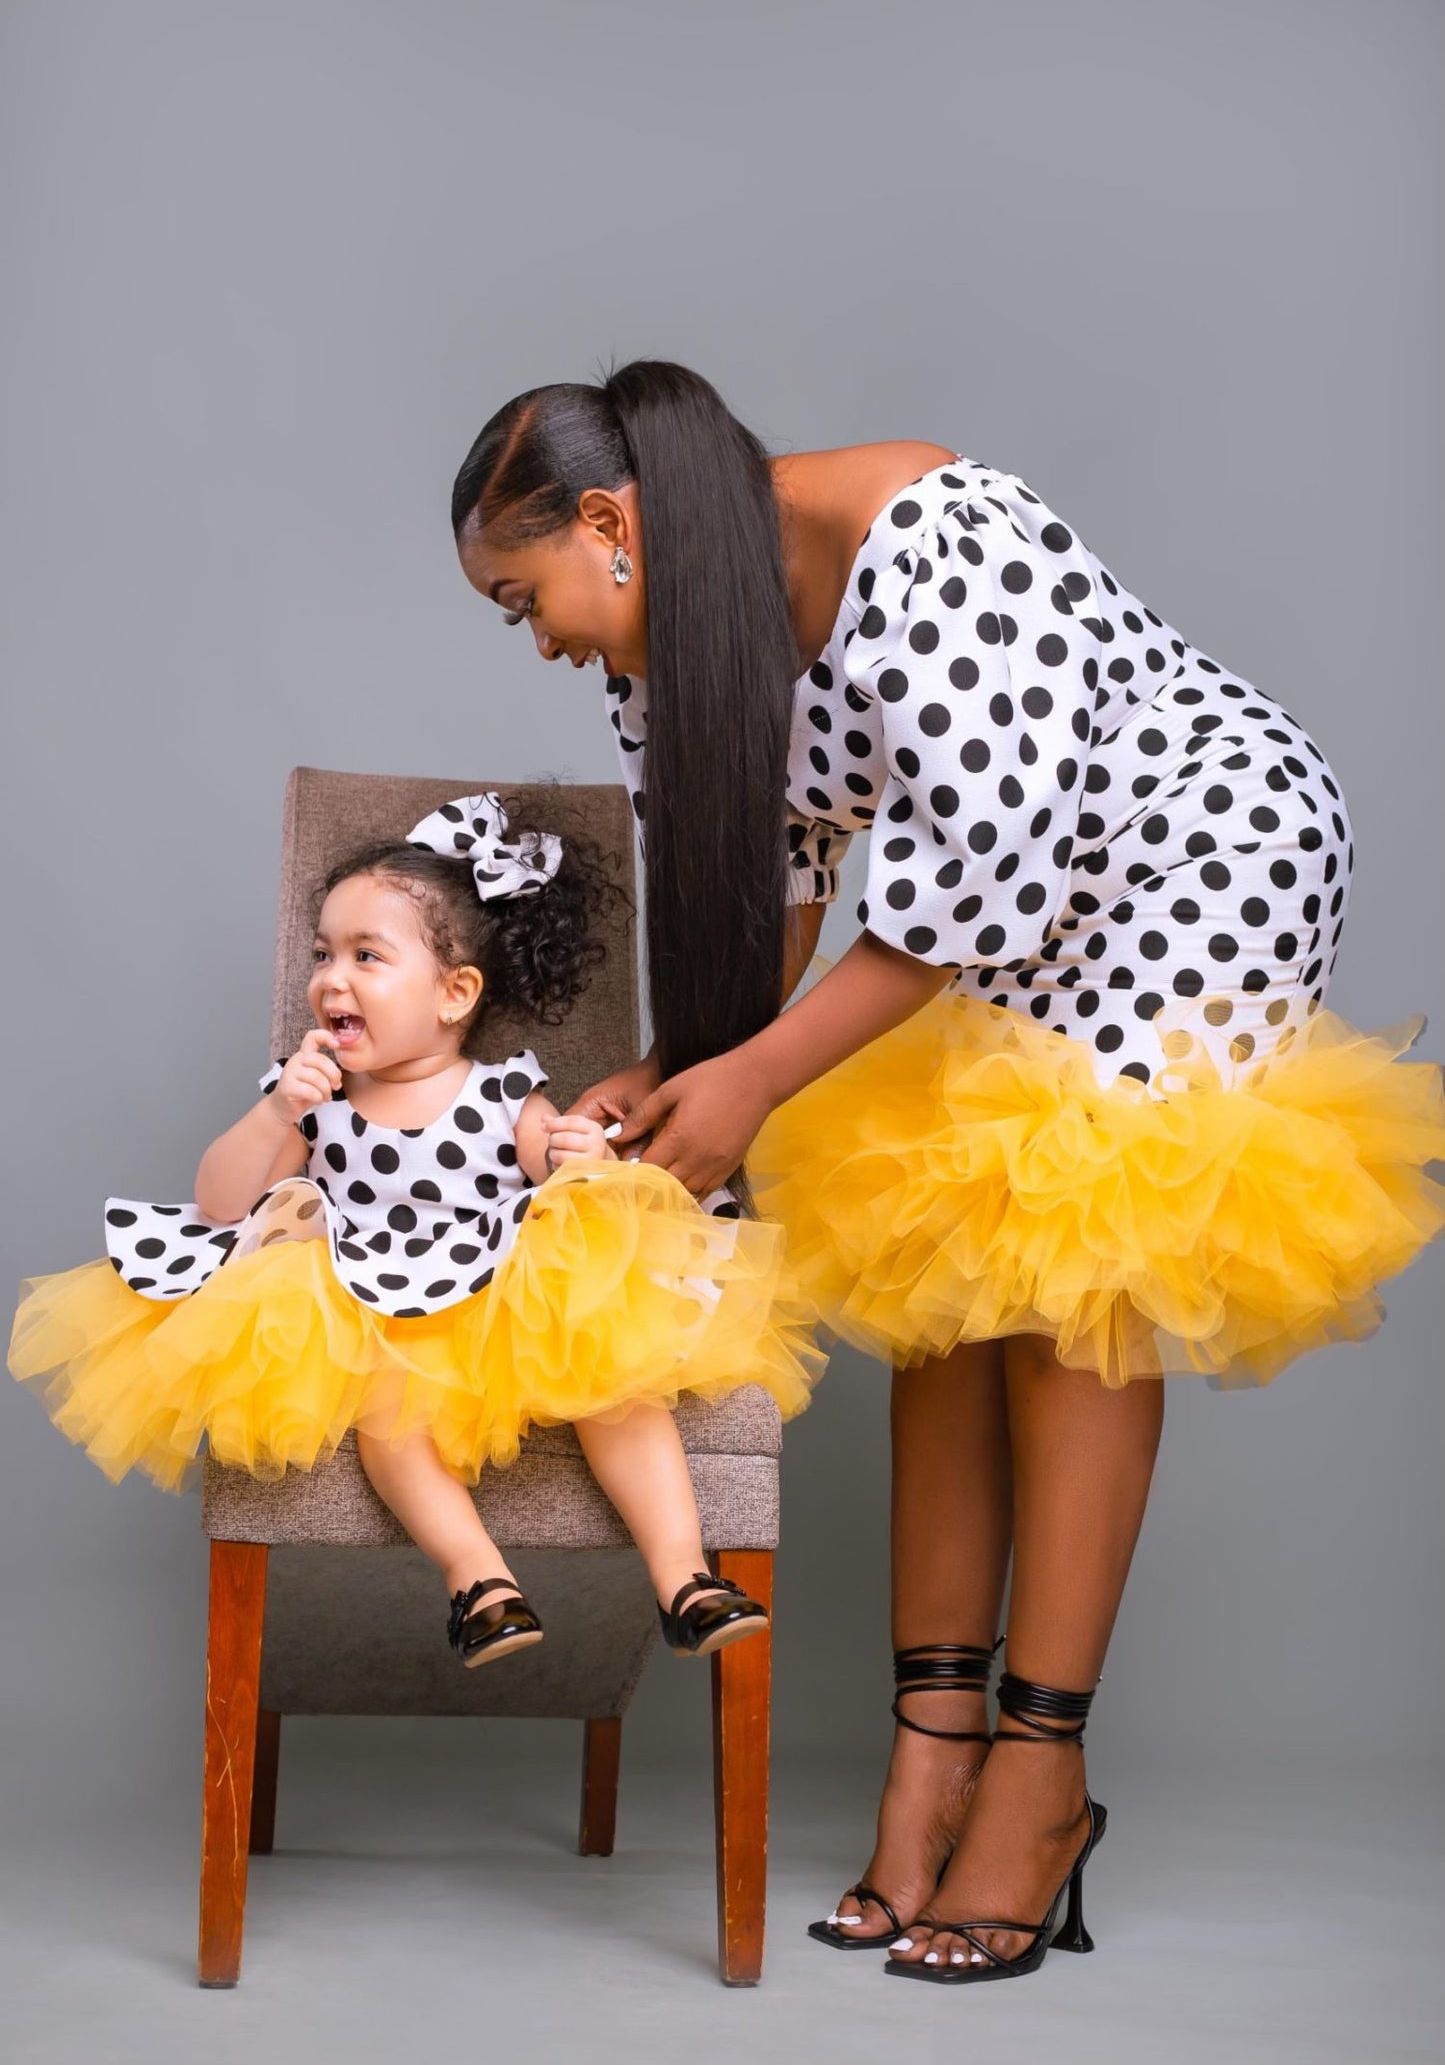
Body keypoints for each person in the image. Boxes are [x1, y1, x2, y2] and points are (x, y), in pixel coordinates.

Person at [450, 360, 1445, 1985]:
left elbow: (965, 891)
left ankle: (1038, 1782)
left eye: (523, 598)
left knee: (1072, 1281)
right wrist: (686, 1058)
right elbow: (769, 874)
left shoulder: (938, 541)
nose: (541, 636)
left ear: (611, 525)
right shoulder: (665, 641)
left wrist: (760, 1087)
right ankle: (932, 1759)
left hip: (1199, 845)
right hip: (1006, 906)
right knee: (945, 1290)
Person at [8, 791, 823, 1669]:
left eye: (366, 956)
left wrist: (585, 1156)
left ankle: (683, 1580)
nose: (330, 979)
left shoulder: (505, 1094)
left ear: (454, 993)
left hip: (503, 1303)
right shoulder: (310, 1095)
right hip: (375, 1314)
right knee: (389, 1424)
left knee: (613, 1388)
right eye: (322, 954)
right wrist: (276, 1113)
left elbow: (570, 1189)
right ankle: (480, 1583)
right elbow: (220, 1204)